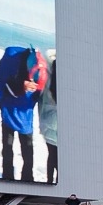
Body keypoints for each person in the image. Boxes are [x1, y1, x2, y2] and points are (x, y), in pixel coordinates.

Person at [0, 46, 47, 181]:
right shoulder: (11, 57)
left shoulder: (43, 73)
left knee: (27, 149)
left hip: (26, 114)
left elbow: (42, 98)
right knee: (7, 147)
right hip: (9, 108)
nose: (32, 84)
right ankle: (7, 178)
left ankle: (28, 179)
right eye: (31, 82)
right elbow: (0, 79)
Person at [38, 52, 58, 183]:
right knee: (57, 159)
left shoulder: (47, 73)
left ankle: (50, 182)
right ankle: (55, 184)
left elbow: (40, 100)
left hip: (47, 123)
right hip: (55, 124)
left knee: (52, 155)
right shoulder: (58, 80)